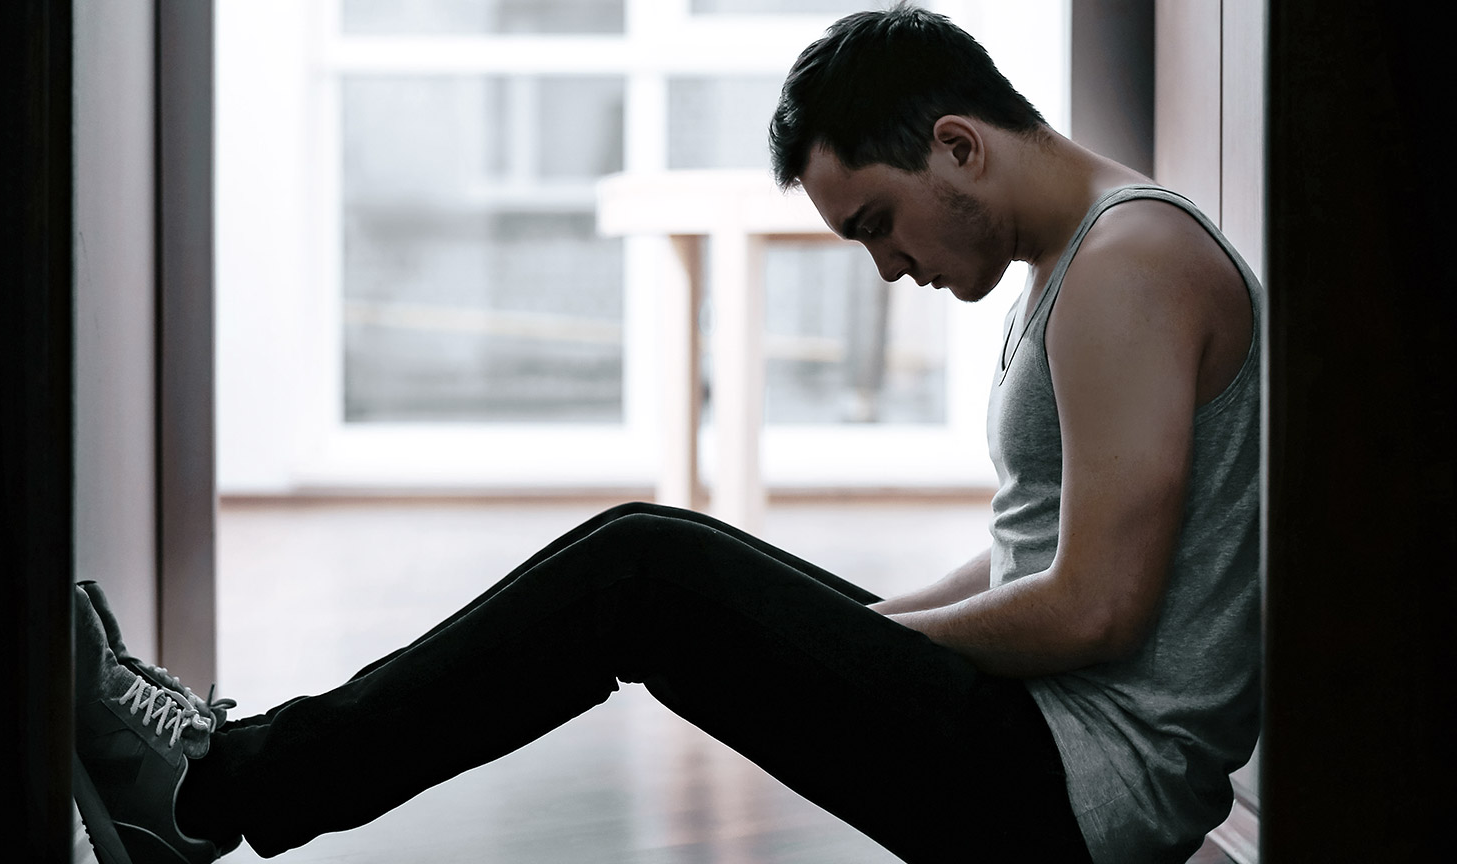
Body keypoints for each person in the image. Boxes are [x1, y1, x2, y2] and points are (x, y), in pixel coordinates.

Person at [72, 6, 1261, 863]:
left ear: (958, 145)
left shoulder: (1126, 269)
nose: (891, 267)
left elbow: (1098, 606)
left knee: (645, 572)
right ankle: (230, 782)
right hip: (1049, 752)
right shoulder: (1093, 257)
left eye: (879, 225)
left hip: (1072, 797)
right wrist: (862, 639)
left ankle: (217, 795)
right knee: (656, 547)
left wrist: (862, 650)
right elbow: (1034, 556)